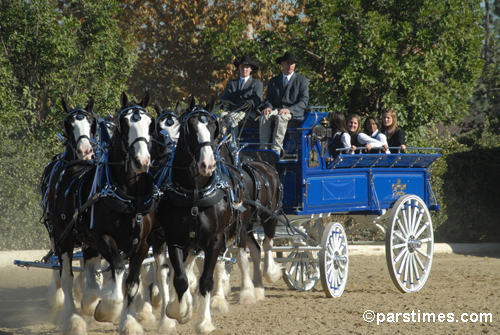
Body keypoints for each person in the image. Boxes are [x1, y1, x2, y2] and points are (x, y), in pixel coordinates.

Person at [259, 52, 309, 154]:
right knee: (264, 116)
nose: (290, 66)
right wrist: (268, 107)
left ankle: (275, 150)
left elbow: (304, 101)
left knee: (281, 117)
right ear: (282, 64)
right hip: (276, 109)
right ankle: (263, 149)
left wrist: (289, 110)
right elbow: (268, 99)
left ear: (295, 65)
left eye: (292, 63)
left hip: (292, 112)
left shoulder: (301, 80)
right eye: (288, 63)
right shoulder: (273, 81)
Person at [220, 55, 263, 142]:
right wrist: (223, 102)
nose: (244, 69)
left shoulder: (257, 84)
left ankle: (232, 146)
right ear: (239, 67)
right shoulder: (231, 84)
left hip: (248, 112)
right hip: (232, 110)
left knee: (232, 118)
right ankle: (221, 144)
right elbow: (226, 97)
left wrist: (251, 102)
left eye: (247, 67)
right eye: (243, 67)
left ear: (250, 69)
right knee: (220, 116)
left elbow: (257, 99)